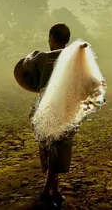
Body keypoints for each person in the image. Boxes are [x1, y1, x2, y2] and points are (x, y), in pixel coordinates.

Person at [21, 23, 76, 208]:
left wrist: (34, 54)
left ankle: (47, 192)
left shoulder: (43, 58)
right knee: (56, 150)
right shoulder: (73, 59)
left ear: (52, 38)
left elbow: (25, 65)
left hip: (44, 110)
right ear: (67, 40)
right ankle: (53, 191)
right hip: (64, 110)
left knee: (50, 150)